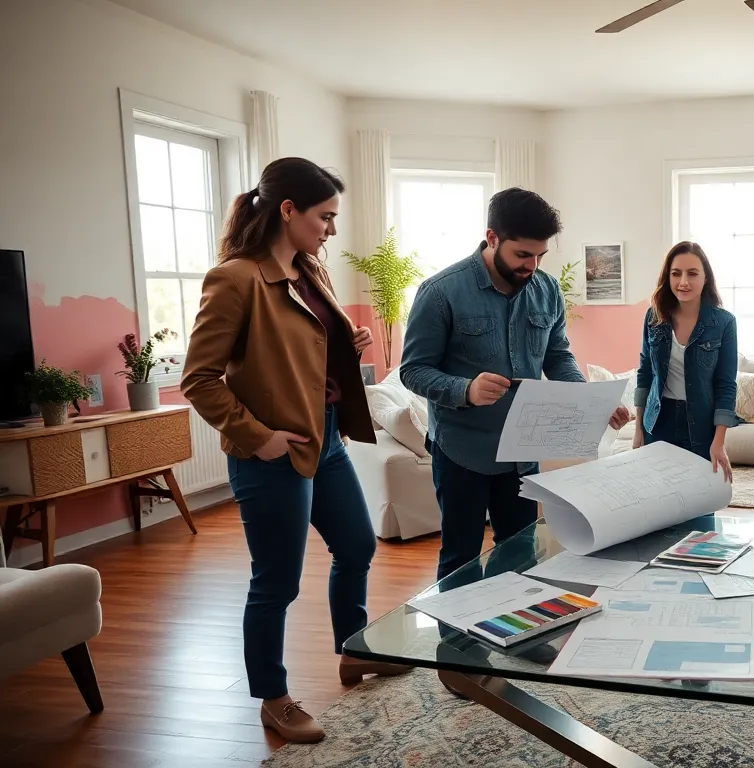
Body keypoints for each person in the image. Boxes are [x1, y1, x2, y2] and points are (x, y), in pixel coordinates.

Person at [181, 157, 410, 744]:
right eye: (324, 217)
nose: (331, 230)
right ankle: (273, 698)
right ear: (288, 210)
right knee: (277, 583)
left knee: (357, 546)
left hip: (327, 437)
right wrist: (260, 439)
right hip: (273, 452)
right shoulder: (235, 279)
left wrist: (346, 340)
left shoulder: (311, 271)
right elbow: (199, 379)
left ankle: (353, 651)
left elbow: (305, 347)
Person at [400, 188, 630, 584]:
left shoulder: (547, 290)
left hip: (524, 454)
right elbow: (413, 370)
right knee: (459, 559)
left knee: (520, 555)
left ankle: (515, 644)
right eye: (522, 255)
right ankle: (455, 647)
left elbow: (557, 355)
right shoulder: (440, 292)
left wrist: (588, 399)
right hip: (461, 452)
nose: (532, 264)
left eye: (540, 255)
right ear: (492, 238)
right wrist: (465, 389)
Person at [632, 242, 739, 479]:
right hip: (658, 422)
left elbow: (726, 385)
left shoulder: (724, 323)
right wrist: (638, 428)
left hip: (700, 424)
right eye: (676, 273)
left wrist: (719, 441)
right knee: (658, 505)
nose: (683, 282)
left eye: (692, 274)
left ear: (706, 278)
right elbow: (645, 372)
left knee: (699, 503)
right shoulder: (653, 316)